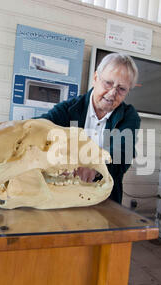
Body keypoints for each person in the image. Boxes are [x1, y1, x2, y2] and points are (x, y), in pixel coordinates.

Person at [36, 52, 141, 204]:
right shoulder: (68, 109)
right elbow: (39, 127)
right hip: (61, 195)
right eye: (108, 83)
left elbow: (121, 154)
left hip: (105, 199)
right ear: (96, 78)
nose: (112, 93)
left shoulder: (129, 116)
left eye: (121, 89)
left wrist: (95, 168)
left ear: (128, 91)